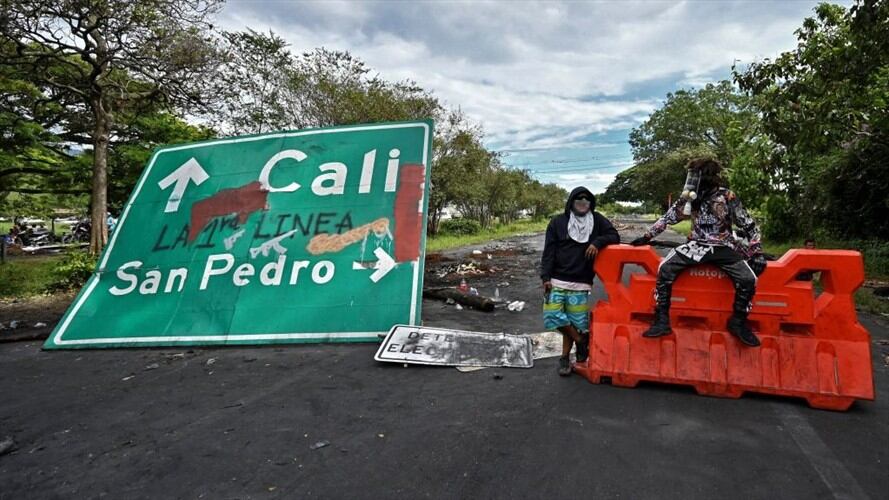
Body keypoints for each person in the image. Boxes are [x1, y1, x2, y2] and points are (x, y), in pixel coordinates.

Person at [630, 158, 767, 347]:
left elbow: (748, 223)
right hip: (695, 245)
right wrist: (647, 236)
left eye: (696, 175)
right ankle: (662, 320)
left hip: (723, 246)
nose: (692, 179)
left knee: (748, 279)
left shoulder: (727, 196)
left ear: (708, 176)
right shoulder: (689, 198)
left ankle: (738, 321)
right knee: (665, 269)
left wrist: (756, 250)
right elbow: (669, 217)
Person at [541, 187, 620, 376]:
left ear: (591, 202)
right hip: (557, 279)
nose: (583, 201)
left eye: (587, 199)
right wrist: (545, 277)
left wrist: (597, 243)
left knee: (575, 322)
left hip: (581, 281)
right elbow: (549, 252)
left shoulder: (597, 220)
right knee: (552, 315)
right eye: (578, 198)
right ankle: (580, 341)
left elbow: (614, 236)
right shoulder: (558, 222)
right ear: (571, 201)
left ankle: (565, 359)